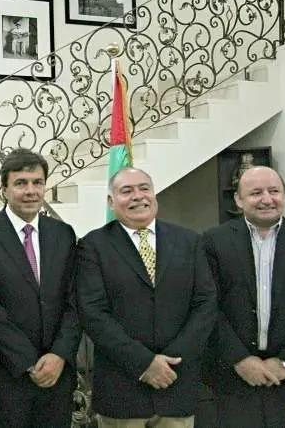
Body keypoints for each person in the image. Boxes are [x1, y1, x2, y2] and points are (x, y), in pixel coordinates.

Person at [76, 167, 217, 428]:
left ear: (154, 195)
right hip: (122, 389)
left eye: (144, 188)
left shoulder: (189, 241)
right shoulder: (93, 246)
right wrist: (144, 363)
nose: (137, 196)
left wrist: (171, 361)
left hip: (176, 382)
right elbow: (92, 312)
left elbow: (205, 304)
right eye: (126, 191)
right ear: (111, 201)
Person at [201, 166, 285, 428]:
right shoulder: (213, 241)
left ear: (284, 196)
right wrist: (240, 360)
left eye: (274, 191)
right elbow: (206, 307)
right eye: (255, 192)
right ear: (239, 200)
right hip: (233, 378)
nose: (267, 199)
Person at [0, 148, 80, 428]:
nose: (31, 191)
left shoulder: (63, 234)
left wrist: (59, 354)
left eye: (37, 183)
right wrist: (30, 362)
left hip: (58, 374)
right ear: (3, 188)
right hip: (9, 376)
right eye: (21, 183)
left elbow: (75, 301)